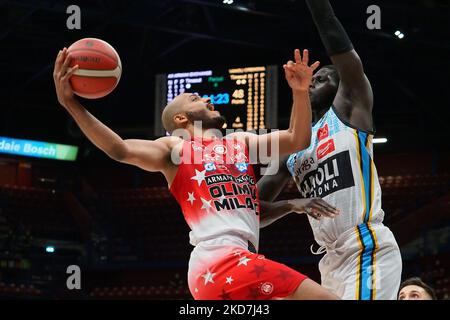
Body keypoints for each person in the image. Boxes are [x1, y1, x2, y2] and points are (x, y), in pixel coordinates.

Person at [53, 46, 339, 300]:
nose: (206, 99)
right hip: (220, 261)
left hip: (233, 264)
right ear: (181, 119)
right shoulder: (175, 148)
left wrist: (299, 92)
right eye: (195, 98)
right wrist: (72, 104)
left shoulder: (239, 143)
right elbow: (119, 149)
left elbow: (297, 139)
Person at [257, 0, 402, 300]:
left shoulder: (349, 109)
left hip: (365, 245)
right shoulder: (290, 151)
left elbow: (334, 37)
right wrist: (290, 205)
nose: (313, 83)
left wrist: (318, 7)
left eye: (323, 79)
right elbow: (251, 208)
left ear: (341, 87)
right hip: (329, 260)